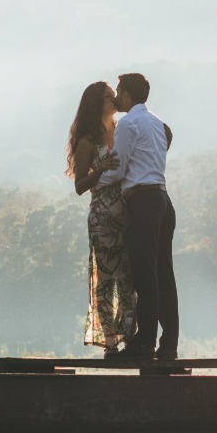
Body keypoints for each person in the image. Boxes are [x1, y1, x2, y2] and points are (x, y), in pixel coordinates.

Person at [67, 80, 135, 357]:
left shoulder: (123, 131)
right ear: (99, 103)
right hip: (103, 214)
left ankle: (130, 336)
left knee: (129, 277)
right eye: (110, 96)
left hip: (127, 211)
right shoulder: (87, 141)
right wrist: (100, 169)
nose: (115, 100)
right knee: (107, 278)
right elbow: (80, 186)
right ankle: (110, 341)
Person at [113, 72, 177, 361]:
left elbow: (120, 167)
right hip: (163, 198)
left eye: (118, 91)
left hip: (142, 201)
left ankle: (145, 341)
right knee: (164, 272)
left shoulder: (127, 123)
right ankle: (169, 343)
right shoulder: (157, 123)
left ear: (127, 94)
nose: (116, 96)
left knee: (145, 272)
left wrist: (96, 178)